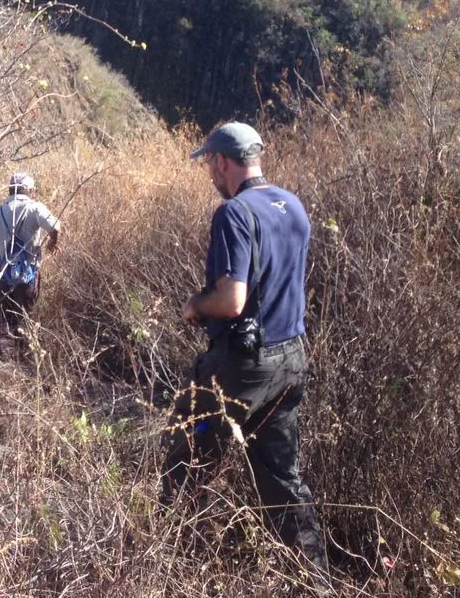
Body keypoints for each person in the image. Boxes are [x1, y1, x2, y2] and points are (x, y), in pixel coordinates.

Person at [161, 122, 327, 578]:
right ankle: (314, 581)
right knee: (282, 482)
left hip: (245, 364)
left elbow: (232, 301)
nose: (210, 174)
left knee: (184, 459)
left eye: (210, 163)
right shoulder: (293, 205)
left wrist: (196, 305)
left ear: (222, 161)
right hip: (291, 357)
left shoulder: (234, 213)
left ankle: (167, 568)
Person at [0, 172, 61, 357]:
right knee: (24, 319)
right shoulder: (35, 208)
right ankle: (25, 360)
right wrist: (52, 243)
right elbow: (55, 226)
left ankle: (5, 363)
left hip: (2, 275)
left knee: (0, 322)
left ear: (10, 189)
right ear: (30, 190)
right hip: (29, 276)